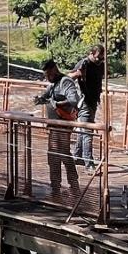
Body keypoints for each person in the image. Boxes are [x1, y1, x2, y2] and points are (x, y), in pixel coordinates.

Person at [34, 59, 81, 194]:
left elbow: (74, 100)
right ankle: (57, 186)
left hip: (63, 124)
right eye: (45, 75)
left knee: (62, 154)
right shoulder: (53, 84)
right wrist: (41, 99)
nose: (47, 78)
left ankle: (72, 185)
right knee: (55, 155)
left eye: (49, 74)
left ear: (55, 70)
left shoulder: (65, 82)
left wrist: (56, 103)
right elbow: (47, 96)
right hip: (54, 125)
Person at [69, 45, 104, 168]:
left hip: (93, 101)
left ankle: (77, 156)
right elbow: (68, 77)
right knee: (88, 132)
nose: (100, 60)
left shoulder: (100, 65)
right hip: (84, 101)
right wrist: (78, 73)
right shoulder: (84, 63)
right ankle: (89, 163)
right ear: (91, 54)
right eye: (98, 58)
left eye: (102, 58)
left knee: (83, 129)